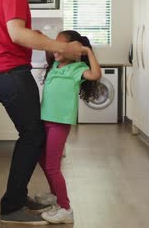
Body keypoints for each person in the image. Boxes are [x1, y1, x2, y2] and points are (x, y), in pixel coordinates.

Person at [0, 0, 85, 225]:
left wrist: (42, 40)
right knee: (33, 136)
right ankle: (11, 207)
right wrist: (62, 47)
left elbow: (18, 34)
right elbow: (17, 34)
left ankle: (16, 198)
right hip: (9, 72)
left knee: (31, 134)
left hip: (2, 72)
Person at [34, 30, 102, 224]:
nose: (57, 48)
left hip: (59, 123)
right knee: (42, 158)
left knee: (52, 166)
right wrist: (40, 36)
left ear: (73, 49)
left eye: (61, 45)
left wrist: (87, 52)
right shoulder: (54, 65)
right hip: (45, 119)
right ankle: (55, 195)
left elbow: (96, 74)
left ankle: (65, 209)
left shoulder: (77, 68)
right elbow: (46, 47)